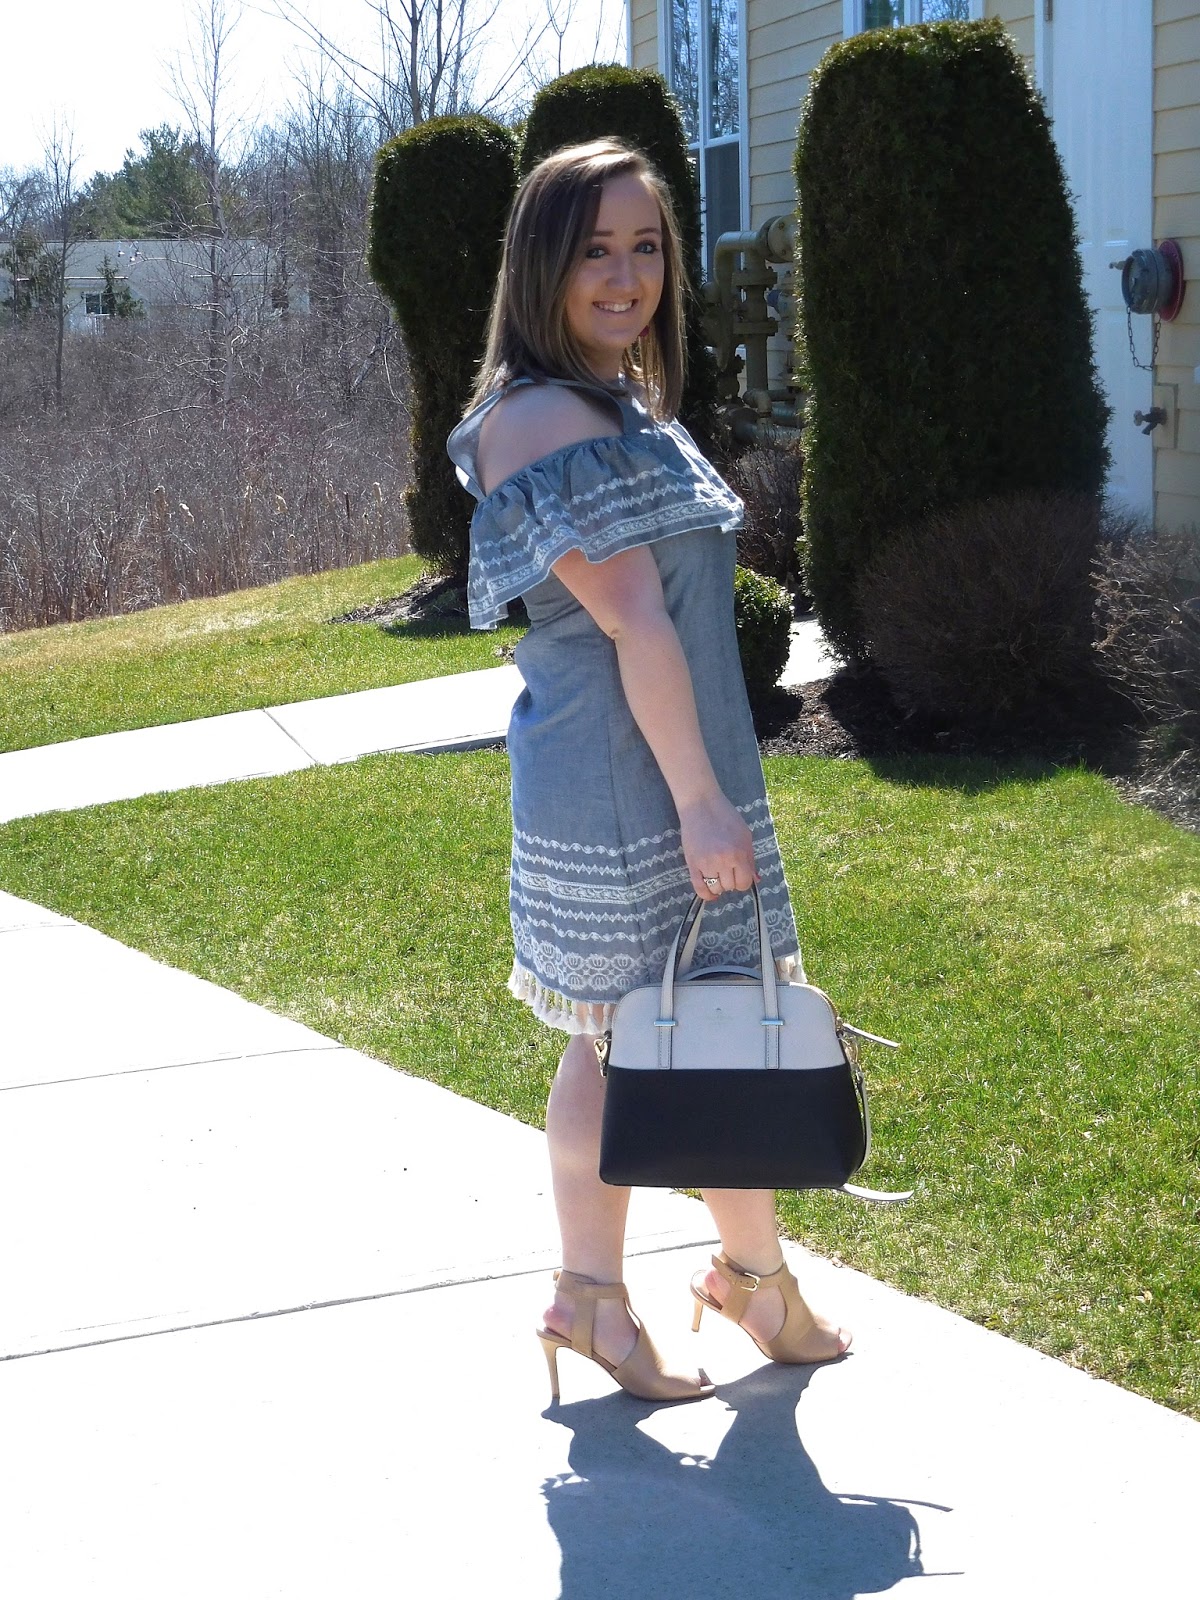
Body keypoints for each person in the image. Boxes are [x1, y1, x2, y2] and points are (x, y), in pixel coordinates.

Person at [447, 138, 850, 1404]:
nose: (626, 277)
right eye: (595, 251)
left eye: (647, 246)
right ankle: (710, 1285)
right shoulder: (541, 419)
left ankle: (658, 1291)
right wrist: (697, 802)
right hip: (634, 784)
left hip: (671, 765)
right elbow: (634, 620)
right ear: (542, 266)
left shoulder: (612, 403)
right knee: (661, 1029)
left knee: (667, 1030)